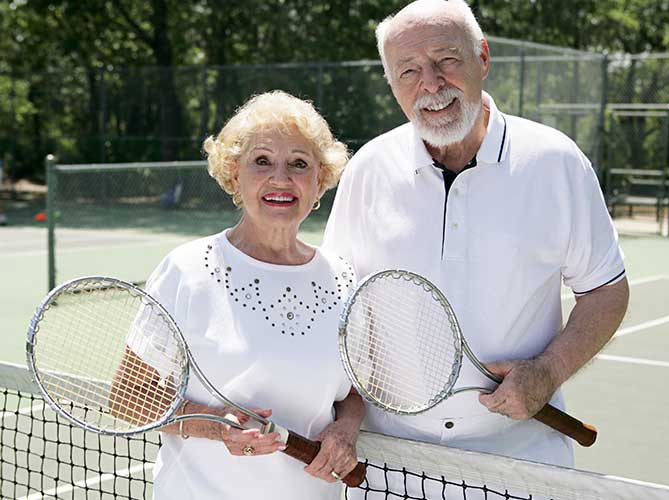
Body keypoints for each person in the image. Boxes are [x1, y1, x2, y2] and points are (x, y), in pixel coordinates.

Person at [323, 0, 629, 471]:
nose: (431, 83)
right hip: (391, 459)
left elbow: (606, 290)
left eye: (447, 59)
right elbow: (338, 306)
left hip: (523, 458)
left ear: (482, 58)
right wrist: (343, 419)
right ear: (392, 86)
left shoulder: (557, 162)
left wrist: (548, 372)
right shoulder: (367, 170)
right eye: (408, 71)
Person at [115, 91, 364, 499]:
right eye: (261, 161)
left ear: (320, 180)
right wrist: (213, 424)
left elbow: (353, 391)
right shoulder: (187, 269)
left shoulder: (343, 278)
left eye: (299, 164)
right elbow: (128, 396)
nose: (280, 179)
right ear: (234, 175)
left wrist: (346, 430)